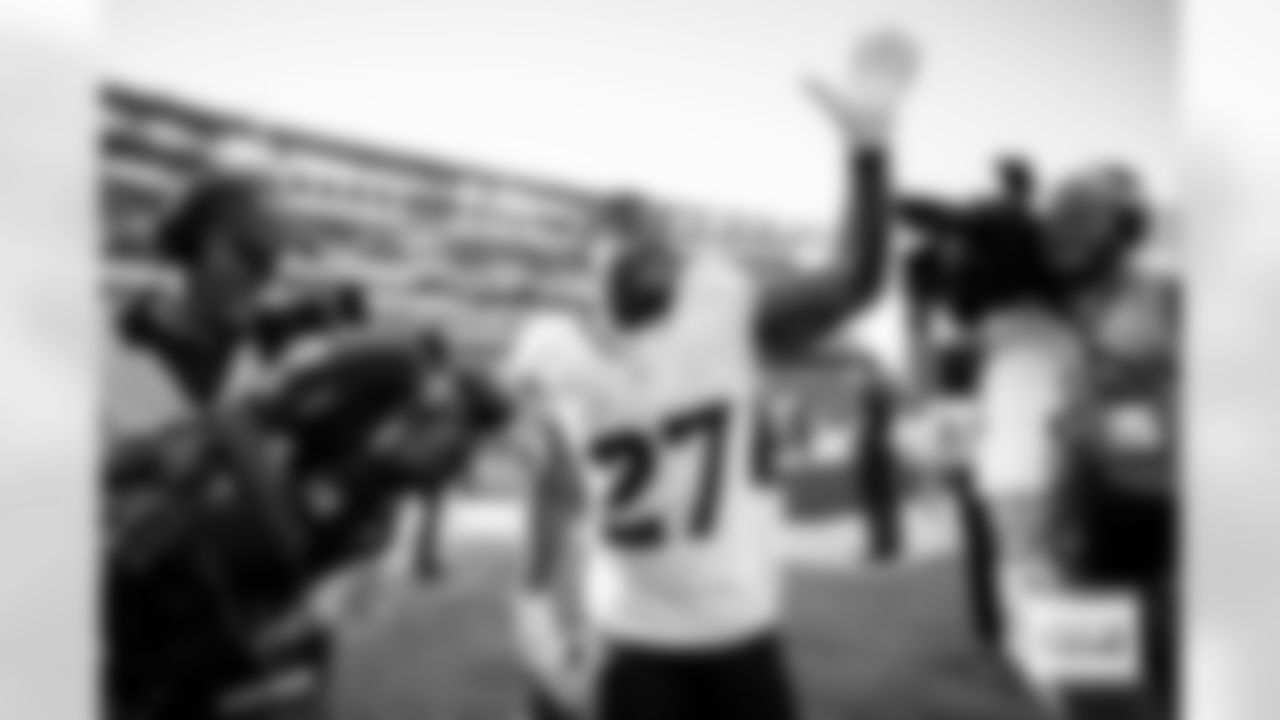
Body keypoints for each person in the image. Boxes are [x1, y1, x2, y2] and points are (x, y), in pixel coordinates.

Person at [502, 28, 919, 720]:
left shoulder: (721, 316)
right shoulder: (559, 350)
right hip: (630, 637)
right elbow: (551, 494)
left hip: (740, 634)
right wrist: (533, 603)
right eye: (625, 229)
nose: (650, 242)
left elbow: (854, 280)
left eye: (659, 229)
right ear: (588, 262)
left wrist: (868, 154)